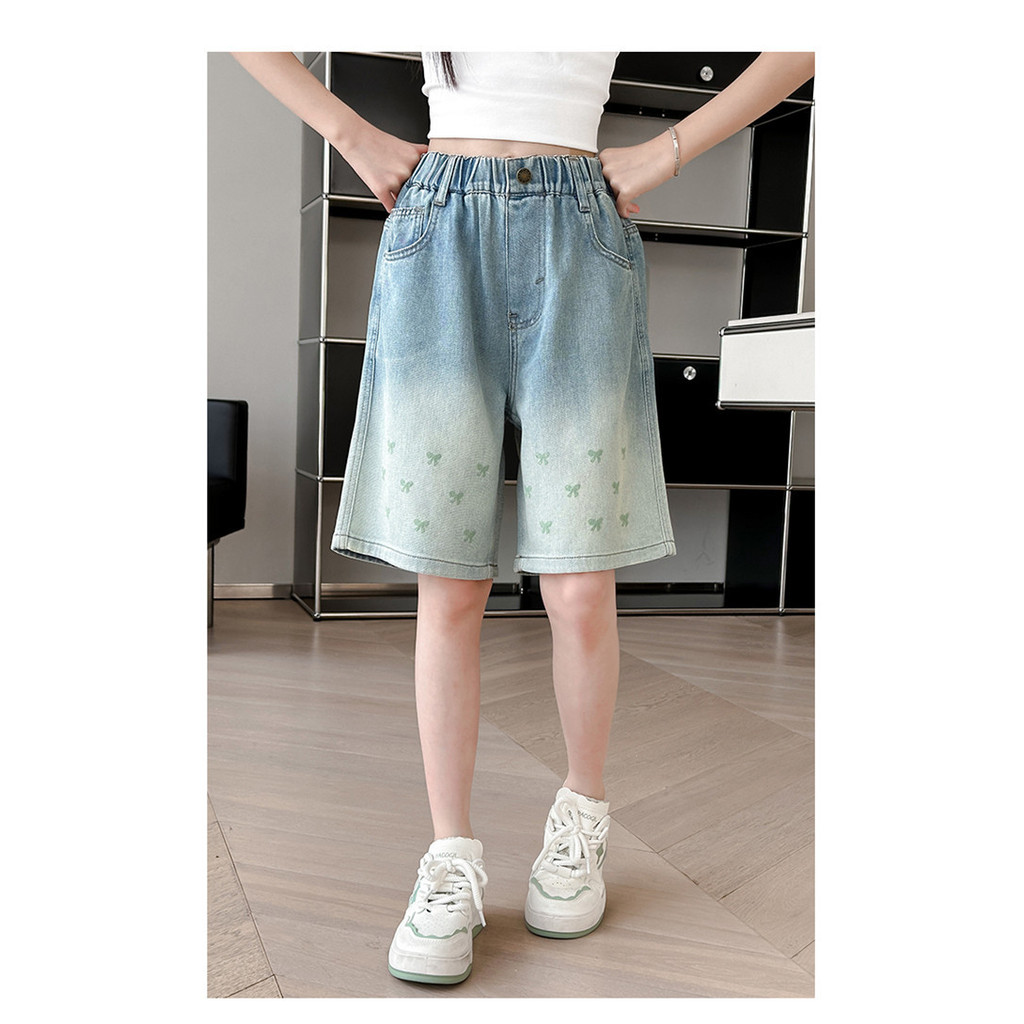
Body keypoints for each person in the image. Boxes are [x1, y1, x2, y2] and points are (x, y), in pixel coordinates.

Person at [231, 49, 815, 986]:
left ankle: (582, 818)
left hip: (581, 230)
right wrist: (350, 133)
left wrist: (668, 149)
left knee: (580, 586)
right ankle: (449, 856)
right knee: (448, 585)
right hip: (439, 222)